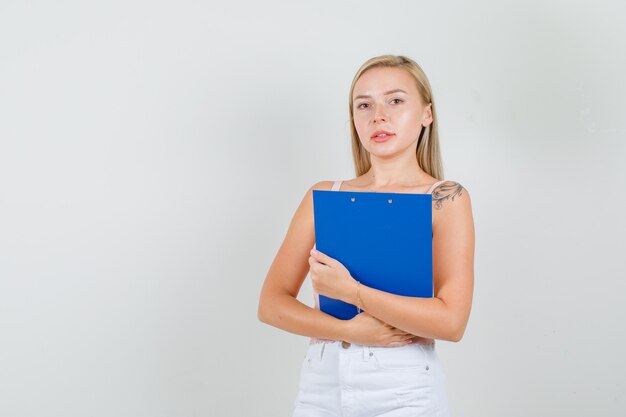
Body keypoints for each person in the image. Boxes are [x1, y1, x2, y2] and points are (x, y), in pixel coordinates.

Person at [257, 54, 475, 417]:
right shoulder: (324, 195)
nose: (379, 116)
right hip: (323, 384)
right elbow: (271, 304)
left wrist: (352, 292)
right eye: (364, 104)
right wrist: (354, 331)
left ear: (426, 114)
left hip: (403, 387)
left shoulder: (444, 199)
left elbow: (451, 322)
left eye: (395, 100)